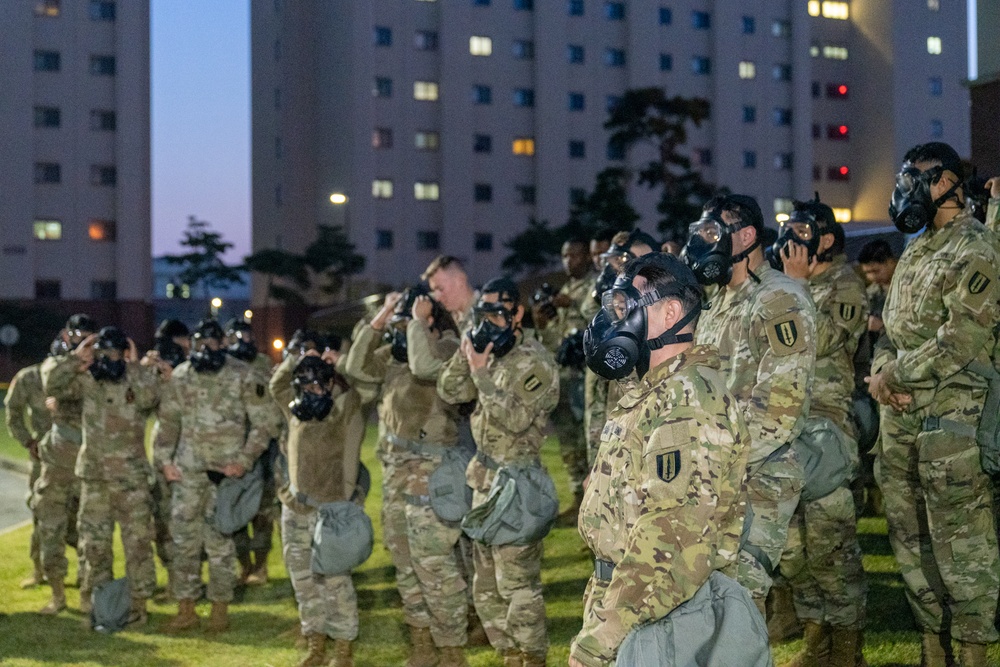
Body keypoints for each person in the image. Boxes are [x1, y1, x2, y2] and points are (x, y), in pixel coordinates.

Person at [570, 252, 751, 667]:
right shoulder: (654, 390)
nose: (617, 320)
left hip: (656, 614)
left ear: (670, 312)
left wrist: (601, 639)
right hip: (628, 600)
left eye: (628, 308)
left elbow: (669, 537)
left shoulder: (690, 399)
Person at [868, 142, 1000, 666]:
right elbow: (889, 333)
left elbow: (960, 339)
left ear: (950, 182)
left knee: (961, 545)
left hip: (952, 424)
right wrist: (880, 371)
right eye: (904, 178)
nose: (907, 190)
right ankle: (931, 645)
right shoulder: (918, 249)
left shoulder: (978, 248)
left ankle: (971, 651)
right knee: (910, 538)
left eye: (918, 177)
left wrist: (895, 373)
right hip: (898, 417)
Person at [681, 194, 816, 614]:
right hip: (715, 473)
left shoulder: (778, 300)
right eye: (698, 234)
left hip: (761, 476)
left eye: (711, 233)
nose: (702, 243)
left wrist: (712, 457)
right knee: (709, 601)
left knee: (740, 603)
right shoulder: (717, 302)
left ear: (746, 236)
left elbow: (780, 410)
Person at [343, 286, 470, 667]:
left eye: (407, 318)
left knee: (434, 563)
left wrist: (416, 322)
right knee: (404, 560)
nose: (400, 327)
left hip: (430, 471)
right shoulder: (396, 355)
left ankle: (451, 651)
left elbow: (424, 368)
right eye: (398, 321)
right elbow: (354, 367)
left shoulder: (448, 347)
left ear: (426, 316)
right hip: (396, 472)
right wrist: (379, 320)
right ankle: (422, 646)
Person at [438, 277, 559, 667]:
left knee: (517, 584)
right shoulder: (487, 353)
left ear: (517, 313)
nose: (489, 319)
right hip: (484, 480)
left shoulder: (534, 360)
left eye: (497, 312)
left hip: (518, 483)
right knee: (486, 585)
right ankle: (509, 655)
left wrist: (481, 375)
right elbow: (449, 390)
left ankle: (532, 657)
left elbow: (516, 419)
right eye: (483, 312)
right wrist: (467, 354)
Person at [772, 197, 869, 663]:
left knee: (832, 549)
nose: (790, 241)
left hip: (827, 430)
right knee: (792, 550)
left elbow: (831, 339)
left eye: (803, 233)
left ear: (826, 240)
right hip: (788, 428)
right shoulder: (784, 285)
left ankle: (847, 649)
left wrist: (798, 288)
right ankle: (816, 639)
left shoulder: (844, 284)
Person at [154, 319, 282, 633]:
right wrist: (164, 461)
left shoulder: (243, 375)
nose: (205, 349)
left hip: (226, 476)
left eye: (212, 344)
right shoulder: (182, 376)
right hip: (187, 473)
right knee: (183, 542)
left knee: (221, 544)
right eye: (200, 344)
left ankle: (219, 611)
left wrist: (244, 460)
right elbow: (168, 423)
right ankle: (186, 610)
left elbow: (265, 424)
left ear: (222, 344)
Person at [43, 327, 166, 627]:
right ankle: (98, 605)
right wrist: (76, 358)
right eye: (101, 352)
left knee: (137, 545)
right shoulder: (87, 381)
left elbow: (152, 396)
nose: (106, 359)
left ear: (124, 353)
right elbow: (52, 385)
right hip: (95, 478)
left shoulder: (137, 381)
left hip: (131, 479)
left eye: (112, 352)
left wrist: (134, 366)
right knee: (94, 545)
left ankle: (138, 607)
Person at [270, 351, 366, 667]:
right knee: (303, 582)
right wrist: (296, 359)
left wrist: (336, 365)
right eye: (305, 386)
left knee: (336, 583)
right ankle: (315, 645)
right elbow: (276, 385)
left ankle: (343, 651)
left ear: (328, 385)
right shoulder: (295, 412)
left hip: (331, 512)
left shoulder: (343, 412)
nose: (310, 392)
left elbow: (356, 389)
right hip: (295, 510)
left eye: (317, 385)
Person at [35, 313, 98, 614]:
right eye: (77, 336)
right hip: (58, 464)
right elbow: (52, 383)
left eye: (88, 337)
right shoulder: (57, 363)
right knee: (51, 529)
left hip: (89, 464)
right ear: (66, 336)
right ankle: (58, 594)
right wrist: (75, 360)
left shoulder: (101, 369)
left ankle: (87, 594)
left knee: (90, 533)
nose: (83, 342)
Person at [533, 238, 596, 522]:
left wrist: (575, 303)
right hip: (565, 378)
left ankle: (596, 504)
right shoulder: (565, 290)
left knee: (590, 442)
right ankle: (578, 498)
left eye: (576, 255)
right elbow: (555, 344)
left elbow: (600, 319)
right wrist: (543, 324)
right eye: (565, 256)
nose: (570, 261)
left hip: (588, 378)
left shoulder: (595, 286)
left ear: (588, 258)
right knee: (569, 443)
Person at [584, 230, 657, 465]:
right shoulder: (616, 319)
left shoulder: (657, 323)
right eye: (613, 262)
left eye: (621, 262)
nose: (614, 271)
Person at [224, 316, 278, 586]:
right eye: (236, 338)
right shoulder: (223, 366)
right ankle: (243, 566)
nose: (242, 343)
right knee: (233, 510)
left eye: (246, 338)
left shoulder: (262, 365)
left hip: (262, 448)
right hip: (231, 448)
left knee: (262, 511)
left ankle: (261, 565)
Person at [5, 357, 55, 589]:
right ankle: (39, 569)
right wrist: (27, 441)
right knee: (39, 513)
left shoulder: (81, 373)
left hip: (78, 458)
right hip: (42, 460)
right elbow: (13, 411)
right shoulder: (29, 378)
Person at [423, 256, 478, 332]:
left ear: (460, 281)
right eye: (434, 291)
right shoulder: (447, 319)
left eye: (441, 289)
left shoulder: (485, 316)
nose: (437, 298)